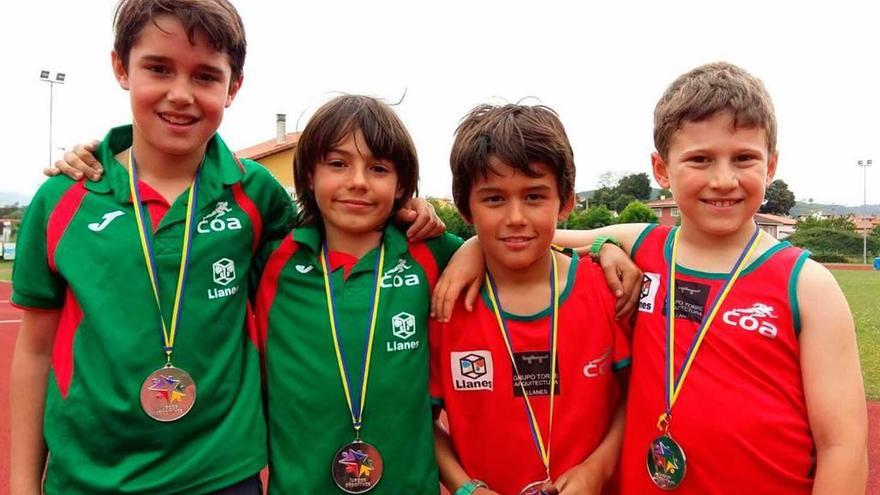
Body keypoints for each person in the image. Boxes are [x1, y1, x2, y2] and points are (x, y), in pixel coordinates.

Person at [438, 62, 868, 494]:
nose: (723, 180)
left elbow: (842, 446)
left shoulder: (807, 286)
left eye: (744, 158)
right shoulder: (645, 246)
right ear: (661, 170)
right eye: (700, 159)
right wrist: (473, 248)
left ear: (771, 164)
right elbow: (533, 232)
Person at [11, 1, 282, 493]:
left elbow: (347, 236)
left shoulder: (258, 195)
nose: (180, 95)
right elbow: (33, 352)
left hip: (221, 473)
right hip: (89, 478)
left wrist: (447, 238)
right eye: (158, 68)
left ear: (233, 87)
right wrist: (24, 486)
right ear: (121, 66)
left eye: (205, 76)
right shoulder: (62, 199)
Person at [431, 103, 630, 495]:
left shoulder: (606, 287)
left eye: (535, 196)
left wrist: (598, 468)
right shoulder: (445, 303)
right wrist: (465, 488)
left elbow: (634, 396)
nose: (516, 217)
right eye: (494, 199)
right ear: (465, 207)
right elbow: (421, 420)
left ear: (567, 201)